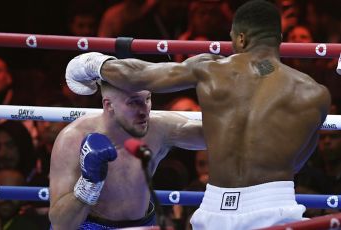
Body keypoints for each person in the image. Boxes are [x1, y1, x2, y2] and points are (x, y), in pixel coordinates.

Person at [65, 0, 331, 229]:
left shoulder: (211, 70)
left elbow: (138, 75)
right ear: (279, 39)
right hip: (274, 204)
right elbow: (296, 163)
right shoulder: (315, 94)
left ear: (240, 37)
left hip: (216, 206)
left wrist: (94, 64)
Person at [48, 81, 206, 229]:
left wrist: (221, 93)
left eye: (148, 99)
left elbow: (216, 137)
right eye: (133, 102)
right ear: (109, 105)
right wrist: (89, 184)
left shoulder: (159, 129)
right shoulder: (73, 139)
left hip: (142, 225)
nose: (144, 110)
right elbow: (60, 224)